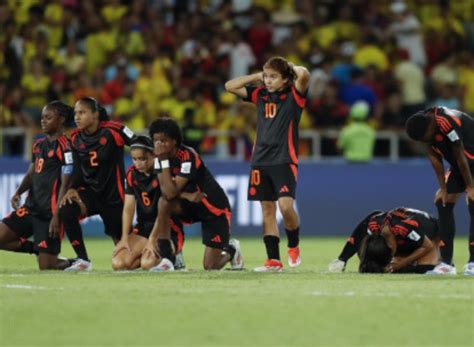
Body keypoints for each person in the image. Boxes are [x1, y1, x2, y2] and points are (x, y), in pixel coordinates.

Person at [225, 56, 310, 272]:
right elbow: (230, 86)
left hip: (284, 160)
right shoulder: (260, 94)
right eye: (267, 76)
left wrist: (289, 67)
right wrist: (257, 76)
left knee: (286, 206)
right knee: (268, 210)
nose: (269, 81)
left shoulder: (295, 96)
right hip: (260, 161)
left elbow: (305, 74)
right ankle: (273, 261)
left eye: (274, 77)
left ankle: (293, 244)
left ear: (284, 80)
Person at [145, 117, 243, 272]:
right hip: (189, 204)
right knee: (163, 203)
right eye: (156, 141)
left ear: (175, 141)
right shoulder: (160, 159)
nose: (160, 145)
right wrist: (186, 196)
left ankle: (232, 250)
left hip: (213, 208)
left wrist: (163, 160)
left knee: (210, 266)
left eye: (164, 141)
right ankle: (168, 260)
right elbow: (166, 194)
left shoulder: (188, 156)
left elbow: (170, 191)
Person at [58, 97, 135, 271]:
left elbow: (139, 144)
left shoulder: (114, 130)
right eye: (76, 113)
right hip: (90, 194)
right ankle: (83, 260)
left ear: (95, 115)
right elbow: (77, 169)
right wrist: (71, 188)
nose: (77, 117)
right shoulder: (75, 138)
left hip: (114, 196)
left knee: (125, 258)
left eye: (82, 112)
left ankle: (166, 254)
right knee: (66, 208)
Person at [0, 101, 74, 270]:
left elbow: (66, 181)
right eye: (42, 117)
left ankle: (73, 263)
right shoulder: (38, 144)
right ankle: (35, 248)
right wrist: (19, 191)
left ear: (61, 119)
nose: (43, 121)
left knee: (46, 266)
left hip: (49, 214)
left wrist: (57, 215)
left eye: (48, 117)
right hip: (30, 208)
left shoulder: (65, 147)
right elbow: (32, 171)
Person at [406, 106, 474, 275]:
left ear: (430, 127)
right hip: (460, 165)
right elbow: (435, 158)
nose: (425, 142)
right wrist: (443, 188)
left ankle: (473, 263)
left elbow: (460, 155)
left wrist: (470, 187)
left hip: (467, 159)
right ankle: (446, 264)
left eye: (425, 138)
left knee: (473, 201)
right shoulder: (425, 127)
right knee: (442, 202)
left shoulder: (445, 122)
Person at [112, 135, 193, 271]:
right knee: (119, 264)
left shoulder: (163, 173)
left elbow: (163, 212)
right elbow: (128, 208)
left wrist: (152, 239)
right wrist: (124, 238)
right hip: (143, 227)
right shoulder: (132, 174)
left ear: (154, 155)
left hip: (166, 228)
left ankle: (174, 256)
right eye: (134, 159)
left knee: (148, 264)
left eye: (142, 159)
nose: (138, 163)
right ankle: (153, 256)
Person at [328, 207, 440, 274]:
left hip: (432, 235)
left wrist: (401, 264)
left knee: (426, 267)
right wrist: (343, 258)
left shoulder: (403, 227)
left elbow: (427, 246)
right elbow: (358, 234)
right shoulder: (373, 224)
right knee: (389, 268)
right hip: (403, 239)